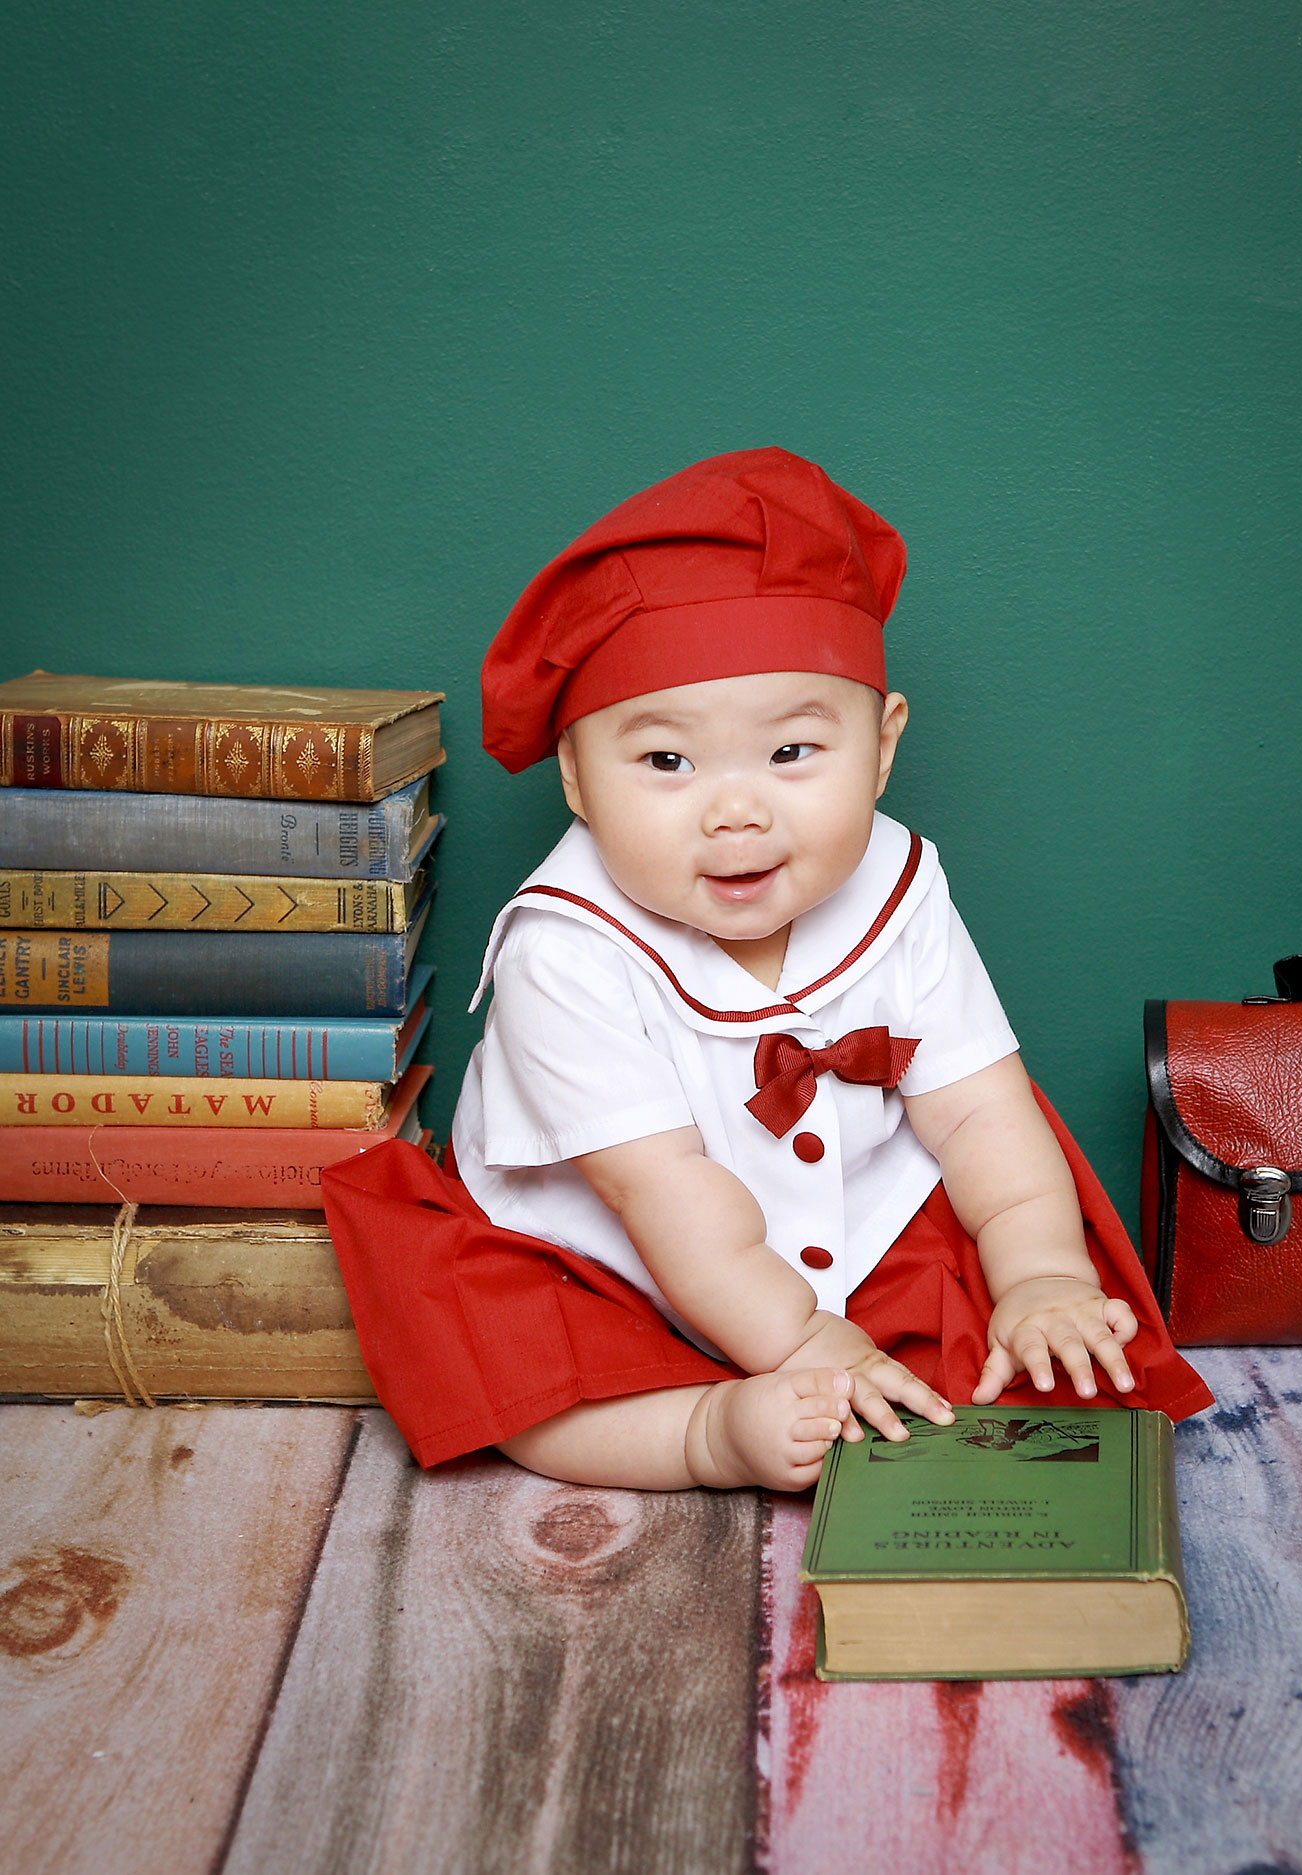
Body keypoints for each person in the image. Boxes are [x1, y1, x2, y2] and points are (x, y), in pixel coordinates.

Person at [323, 448, 1212, 1490]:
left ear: (882, 749)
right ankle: (704, 1435)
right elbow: (664, 1193)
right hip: (617, 1249)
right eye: (666, 762)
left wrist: (1043, 1273)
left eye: (792, 754)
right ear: (574, 775)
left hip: (848, 1212)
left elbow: (979, 1110)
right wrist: (802, 1347)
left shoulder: (901, 878)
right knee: (521, 1377)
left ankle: (964, 1335)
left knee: (1023, 1332)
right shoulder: (562, 950)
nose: (736, 809)